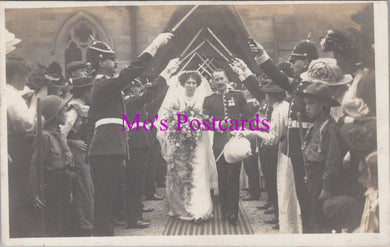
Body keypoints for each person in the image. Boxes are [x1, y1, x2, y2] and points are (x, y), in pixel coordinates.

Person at [86, 32, 173, 236]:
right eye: (112, 59)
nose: (115, 62)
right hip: (107, 149)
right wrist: (154, 45)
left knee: (107, 200)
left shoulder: (105, 85)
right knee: (104, 203)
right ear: (101, 61)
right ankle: (103, 237)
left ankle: (105, 235)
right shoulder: (103, 84)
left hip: (110, 148)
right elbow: (131, 72)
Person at [247, 37, 319, 232]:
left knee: (309, 195)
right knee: (302, 195)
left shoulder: (315, 85)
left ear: (305, 62)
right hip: (295, 149)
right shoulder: (299, 84)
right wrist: (261, 53)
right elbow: (276, 75)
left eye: (294, 61)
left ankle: (312, 233)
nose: (291, 64)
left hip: (308, 148)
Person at [124, 59, 181, 228]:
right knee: (135, 182)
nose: (139, 89)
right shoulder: (130, 101)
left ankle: (136, 211)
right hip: (136, 143)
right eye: (136, 87)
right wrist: (167, 72)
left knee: (139, 180)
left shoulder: (132, 101)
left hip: (141, 142)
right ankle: (133, 217)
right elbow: (149, 96)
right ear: (131, 89)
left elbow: (153, 100)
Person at [242, 79, 302, 233]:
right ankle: (281, 215)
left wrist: (254, 132)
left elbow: (273, 138)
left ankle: (282, 218)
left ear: (270, 96)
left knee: (280, 183)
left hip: (280, 150)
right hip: (285, 148)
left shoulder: (277, 110)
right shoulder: (285, 106)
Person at [157, 70, 216, 222]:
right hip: (178, 140)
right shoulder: (175, 98)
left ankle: (199, 207)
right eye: (188, 82)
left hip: (198, 140)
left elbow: (207, 118)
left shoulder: (202, 99)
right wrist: (177, 126)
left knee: (197, 171)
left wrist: (194, 126)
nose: (191, 85)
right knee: (179, 171)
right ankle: (180, 208)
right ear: (183, 84)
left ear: (197, 84)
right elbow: (165, 118)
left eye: (194, 83)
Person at [202, 69, 251, 226]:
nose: (219, 82)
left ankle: (233, 213)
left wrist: (241, 130)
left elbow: (247, 117)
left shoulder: (238, 96)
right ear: (212, 82)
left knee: (234, 177)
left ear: (226, 79)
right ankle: (224, 210)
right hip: (219, 143)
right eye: (216, 79)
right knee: (222, 177)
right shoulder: (209, 100)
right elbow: (205, 121)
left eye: (221, 78)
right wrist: (218, 124)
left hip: (235, 141)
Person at [299, 82, 346, 233]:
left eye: (311, 104)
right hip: (314, 178)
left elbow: (333, 162)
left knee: (322, 219)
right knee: (313, 214)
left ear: (324, 106)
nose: (306, 107)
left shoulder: (330, 129)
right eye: (306, 104)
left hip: (323, 180)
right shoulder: (315, 126)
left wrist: (326, 188)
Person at [6, 56, 42, 238]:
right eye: (25, 75)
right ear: (15, 75)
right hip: (15, 144)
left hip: (10, 143)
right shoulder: (10, 94)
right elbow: (25, 124)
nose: (27, 80)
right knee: (20, 189)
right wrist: (35, 102)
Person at [28, 95, 75, 237]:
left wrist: (69, 188)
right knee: (55, 226)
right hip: (52, 185)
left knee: (66, 224)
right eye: (62, 112)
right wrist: (34, 193)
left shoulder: (60, 134)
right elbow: (36, 166)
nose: (66, 114)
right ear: (55, 116)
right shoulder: (45, 136)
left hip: (64, 182)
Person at [60, 76, 95, 236]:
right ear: (86, 91)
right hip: (77, 153)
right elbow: (62, 132)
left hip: (84, 151)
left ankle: (87, 223)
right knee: (83, 188)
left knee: (87, 187)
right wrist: (72, 144)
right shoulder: (74, 109)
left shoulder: (81, 106)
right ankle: (84, 226)